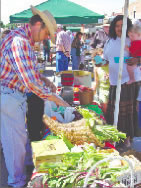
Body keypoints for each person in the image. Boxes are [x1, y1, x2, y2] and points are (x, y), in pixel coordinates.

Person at [0, 6, 69, 187]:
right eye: (48, 34)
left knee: (19, 139)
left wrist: (44, 79)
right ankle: (16, 182)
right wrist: (55, 98)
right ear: (38, 25)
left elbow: (28, 72)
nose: (47, 38)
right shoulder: (20, 42)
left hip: (13, 96)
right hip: (9, 96)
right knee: (14, 144)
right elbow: (29, 82)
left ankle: (20, 175)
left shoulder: (21, 39)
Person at [103, 15, 141, 150]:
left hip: (129, 82)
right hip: (114, 82)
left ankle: (128, 141)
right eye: (117, 25)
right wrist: (100, 62)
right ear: (113, 27)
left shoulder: (132, 39)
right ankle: (119, 139)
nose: (119, 28)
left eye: (122, 25)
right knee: (116, 114)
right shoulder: (109, 42)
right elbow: (107, 59)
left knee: (128, 115)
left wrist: (137, 60)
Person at [92, 48, 110, 115]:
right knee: (104, 110)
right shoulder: (96, 68)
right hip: (103, 91)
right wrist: (92, 92)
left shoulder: (111, 63)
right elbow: (96, 81)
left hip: (112, 89)